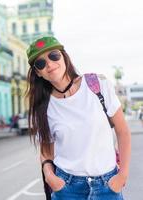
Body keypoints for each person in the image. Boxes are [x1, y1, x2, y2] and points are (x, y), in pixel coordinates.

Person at [26, 36, 131, 199]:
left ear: (64, 57)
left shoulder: (97, 85)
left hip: (107, 186)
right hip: (67, 188)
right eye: (40, 63)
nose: (50, 64)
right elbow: (46, 151)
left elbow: (123, 131)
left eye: (53, 55)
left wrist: (122, 175)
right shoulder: (44, 107)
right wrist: (50, 176)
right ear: (38, 73)